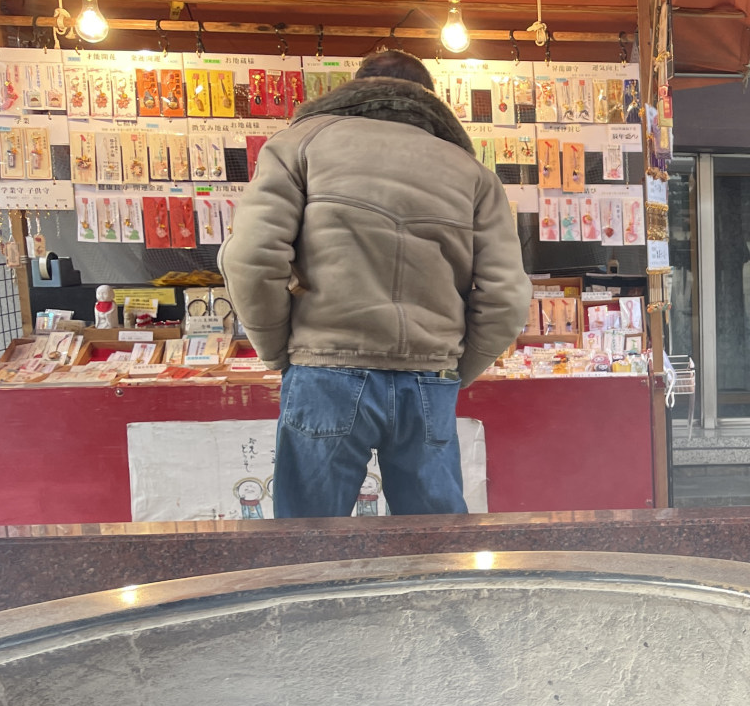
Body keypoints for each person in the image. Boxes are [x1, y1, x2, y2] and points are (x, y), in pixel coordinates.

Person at [222, 48, 530, 517]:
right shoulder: (473, 174)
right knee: (437, 543)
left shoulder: (298, 144)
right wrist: (454, 370)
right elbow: (505, 296)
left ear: (356, 87)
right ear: (429, 99)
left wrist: (277, 351)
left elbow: (252, 258)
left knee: (307, 543)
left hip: (325, 367)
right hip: (429, 375)